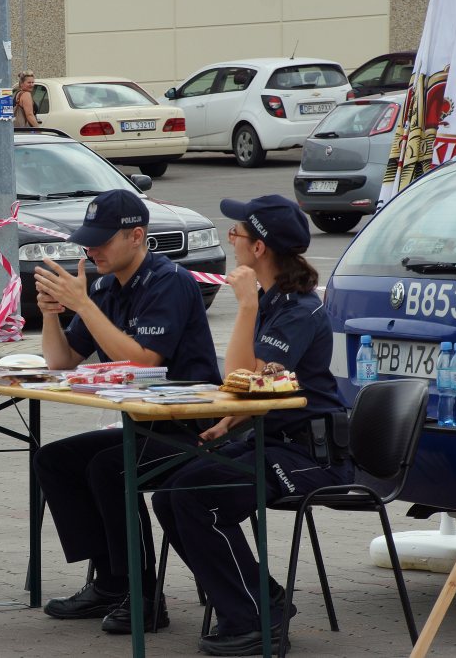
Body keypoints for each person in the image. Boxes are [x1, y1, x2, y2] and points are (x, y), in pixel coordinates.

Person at [152, 194, 352, 656]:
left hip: (312, 455)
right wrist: (227, 423)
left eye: (236, 233)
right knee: (170, 495)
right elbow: (257, 391)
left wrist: (243, 308)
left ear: (259, 247)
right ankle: (263, 600)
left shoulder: (296, 310)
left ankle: (253, 620)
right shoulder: (272, 300)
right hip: (272, 438)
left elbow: (246, 381)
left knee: (200, 499)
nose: (231, 240)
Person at [32, 189, 222, 635]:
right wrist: (50, 313)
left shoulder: (169, 282)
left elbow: (144, 360)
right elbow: (61, 361)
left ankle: (144, 596)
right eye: (87, 241)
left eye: (101, 241)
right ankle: (111, 582)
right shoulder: (103, 287)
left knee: (109, 469)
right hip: (146, 424)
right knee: (55, 459)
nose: (91, 250)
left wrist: (82, 305)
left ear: (137, 236)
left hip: (192, 427)